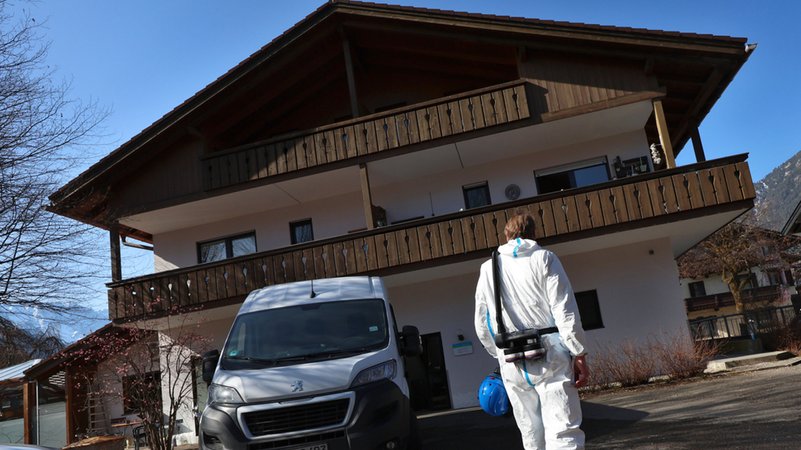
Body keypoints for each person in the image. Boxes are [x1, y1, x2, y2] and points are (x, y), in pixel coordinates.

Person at [474, 213, 589, 450]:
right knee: (562, 429)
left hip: (511, 357)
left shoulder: (488, 269)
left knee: (531, 434)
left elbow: (481, 322)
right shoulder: (545, 259)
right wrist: (579, 351)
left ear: (506, 236)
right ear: (534, 233)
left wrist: (498, 354)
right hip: (550, 352)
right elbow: (564, 309)